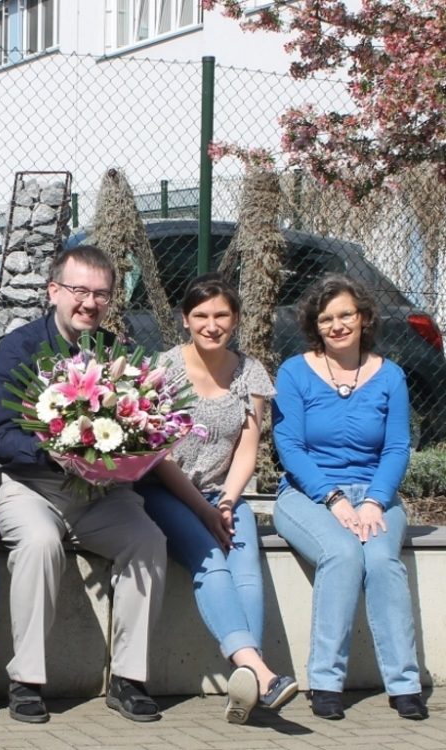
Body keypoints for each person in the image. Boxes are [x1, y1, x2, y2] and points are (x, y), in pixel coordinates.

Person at [0, 244, 166, 724]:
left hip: (103, 496)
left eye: (101, 294)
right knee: (41, 544)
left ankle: (129, 680)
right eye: (79, 291)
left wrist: (131, 450)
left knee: (148, 541)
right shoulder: (20, 348)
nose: (90, 303)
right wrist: (55, 453)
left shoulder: (120, 356)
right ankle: (26, 681)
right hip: (34, 488)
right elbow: (2, 436)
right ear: (53, 291)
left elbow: (143, 429)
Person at [136, 273, 297, 724]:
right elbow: (158, 455)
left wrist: (226, 501)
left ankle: (251, 680)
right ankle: (263, 674)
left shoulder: (252, 373)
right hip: (165, 490)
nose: (211, 324)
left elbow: (248, 448)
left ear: (236, 319)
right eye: (201, 315)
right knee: (211, 557)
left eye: (221, 315)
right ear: (185, 320)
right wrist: (205, 509)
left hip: (224, 493)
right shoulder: (160, 369)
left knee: (246, 567)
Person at [272, 274, 427, 721]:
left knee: (381, 561)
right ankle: (325, 682)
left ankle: (404, 685)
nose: (337, 325)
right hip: (308, 495)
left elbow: (397, 448)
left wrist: (375, 500)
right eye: (326, 319)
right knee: (342, 554)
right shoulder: (294, 372)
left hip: (376, 497)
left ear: (362, 318)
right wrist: (335, 498)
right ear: (315, 325)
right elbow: (290, 447)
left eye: (345, 315)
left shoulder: (391, 376)